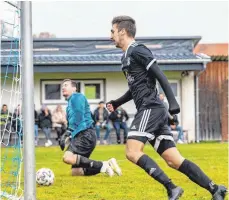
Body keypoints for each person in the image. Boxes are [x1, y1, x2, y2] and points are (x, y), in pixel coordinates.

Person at [107, 15, 227, 200]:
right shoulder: (126, 57)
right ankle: (215, 189)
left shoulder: (138, 50)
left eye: (112, 31)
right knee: (174, 160)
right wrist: (117, 103)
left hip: (151, 108)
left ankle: (172, 188)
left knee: (132, 151)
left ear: (123, 31)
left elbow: (160, 75)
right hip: (152, 110)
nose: (110, 36)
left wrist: (173, 102)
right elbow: (135, 88)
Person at [60, 79, 121, 177]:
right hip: (83, 135)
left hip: (85, 134)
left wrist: (68, 133)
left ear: (74, 88)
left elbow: (78, 115)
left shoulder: (77, 96)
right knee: (76, 172)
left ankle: (103, 165)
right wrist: (68, 135)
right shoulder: (69, 104)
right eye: (62, 86)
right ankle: (108, 164)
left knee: (67, 158)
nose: (63, 87)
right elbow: (72, 121)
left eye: (66, 85)